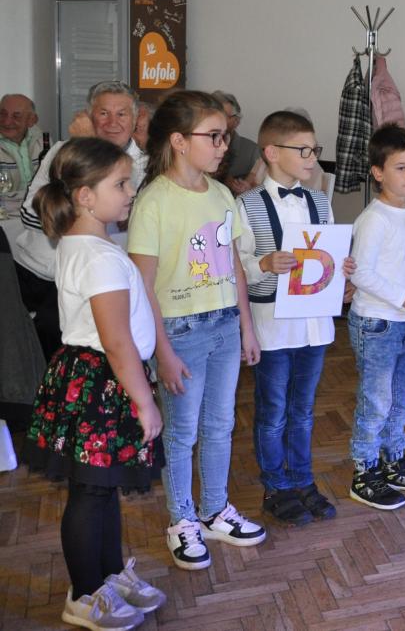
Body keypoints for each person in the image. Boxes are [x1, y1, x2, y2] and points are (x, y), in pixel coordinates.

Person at [22, 137, 166, 629]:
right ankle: (84, 595)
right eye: (121, 184)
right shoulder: (99, 256)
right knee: (90, 492)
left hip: (96, 377)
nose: (131, 192)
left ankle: (107, 576)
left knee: (101, 488)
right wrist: (145, 401)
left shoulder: (85, 244)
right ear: (84, 196)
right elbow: (117, 339)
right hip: (102, 380)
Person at [127, 90, 266, 571]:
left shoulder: (222, 194)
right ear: (180, 141)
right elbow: (143, 285)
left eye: (225, 137)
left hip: (224, 323)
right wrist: (162, 351)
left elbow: (235, 267)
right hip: (180, 331)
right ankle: (181, 519)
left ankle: (214, 510)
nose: (223, 146)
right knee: (183, 432)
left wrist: (247, 326)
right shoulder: (153, 201)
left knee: (221, 425)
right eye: (214, 136)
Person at [236, 111, 354, 526]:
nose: (312, 158)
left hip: (314, 325)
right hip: (271, 325)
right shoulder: (246, 204)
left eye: (314, 149)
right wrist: (264, 263)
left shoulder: (320, 201)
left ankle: (302, 480)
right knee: (273, 410)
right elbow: (236, 266)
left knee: (303, 409)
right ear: (271, 152)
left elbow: (328, 256)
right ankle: (276, 486)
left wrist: (343, 271)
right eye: (303, 150)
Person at [14, 81, 147, 360]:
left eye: (121, 114)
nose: (112, 122)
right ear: (87, 116)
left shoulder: (145, 165)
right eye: (103, 113)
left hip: (101, 277)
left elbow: (130, 221)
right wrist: (84, 148)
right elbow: (30, 214)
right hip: (40, 273)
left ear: (135, 120)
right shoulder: (63, 151)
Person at [347, 124, 405, 509]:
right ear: (378, 172)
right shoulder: (375, 219)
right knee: (376, 401)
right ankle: (364, 472)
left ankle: (393, 462)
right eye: (400, 167)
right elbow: (360, 273)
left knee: (401, 399)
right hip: (377, 323)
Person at [0, 92, 43, 209]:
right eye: (3, 114)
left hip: (36, 208)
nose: (7, 122)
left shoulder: (41, 140)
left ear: (32, 120)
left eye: (16, 116)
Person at [211, 91, 258, 195]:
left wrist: (246, 188)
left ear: (237, 120)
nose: (216, 120)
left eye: (223, 115)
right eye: (212, 115)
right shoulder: (196, 146)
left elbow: (259, 189)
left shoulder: (252, 151)